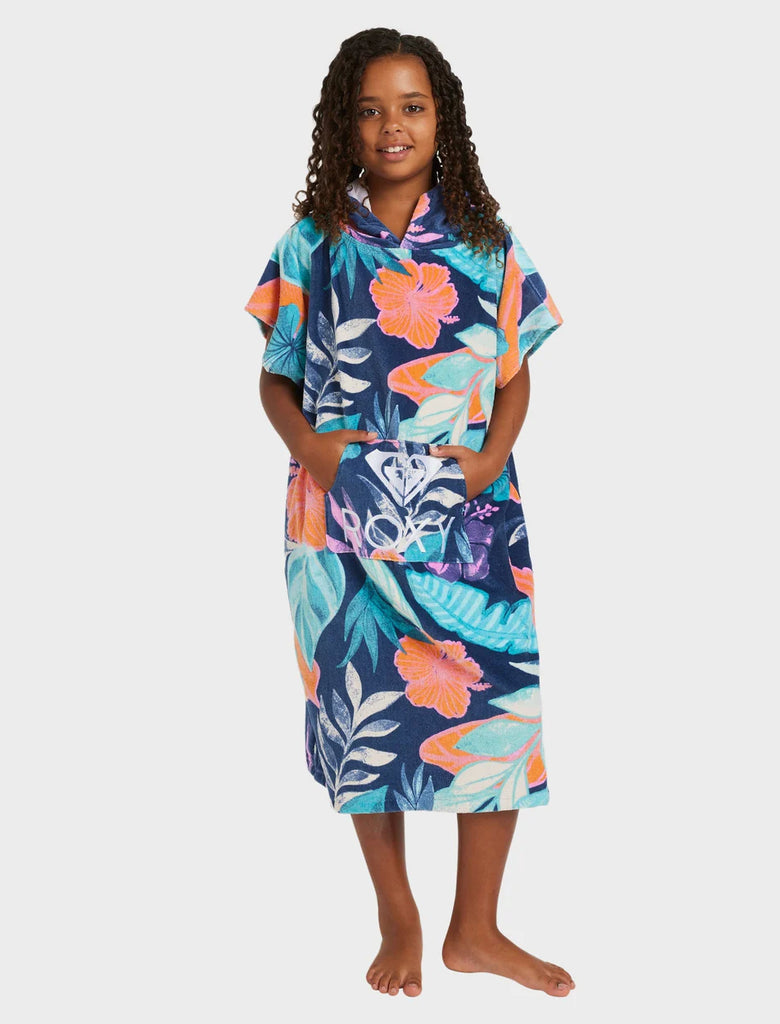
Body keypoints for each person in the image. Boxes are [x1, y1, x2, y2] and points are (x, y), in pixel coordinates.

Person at [243, 27, 574, 1000]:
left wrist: (493, 458)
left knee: (496, 708)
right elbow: (274, 378)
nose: (393, 125)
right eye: (371, 109)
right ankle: (397, 910)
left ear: (443, 120)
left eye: (412, 106)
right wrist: (313, 450)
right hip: (339, 514)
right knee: (362, 713)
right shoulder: (311, 241)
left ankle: (477, 926)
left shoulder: (486, 242)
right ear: (343, 124)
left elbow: (513, 371)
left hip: (468, 514)